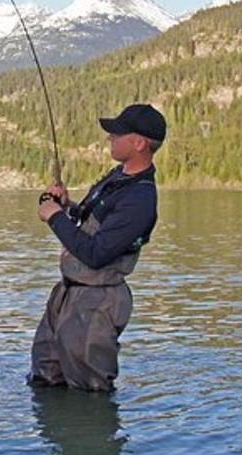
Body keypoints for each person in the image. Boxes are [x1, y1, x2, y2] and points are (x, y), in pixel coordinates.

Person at [29, 103, 166, 391]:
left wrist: (53, 216)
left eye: (117, 133)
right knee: (45, 379)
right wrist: (67, 207)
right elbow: (92, 224)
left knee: (89, 391)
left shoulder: (140, 199)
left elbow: (96, 253)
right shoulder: (117, 178)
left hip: (96, 305)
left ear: (139, 142)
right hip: (68, 295)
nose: (110, 138)